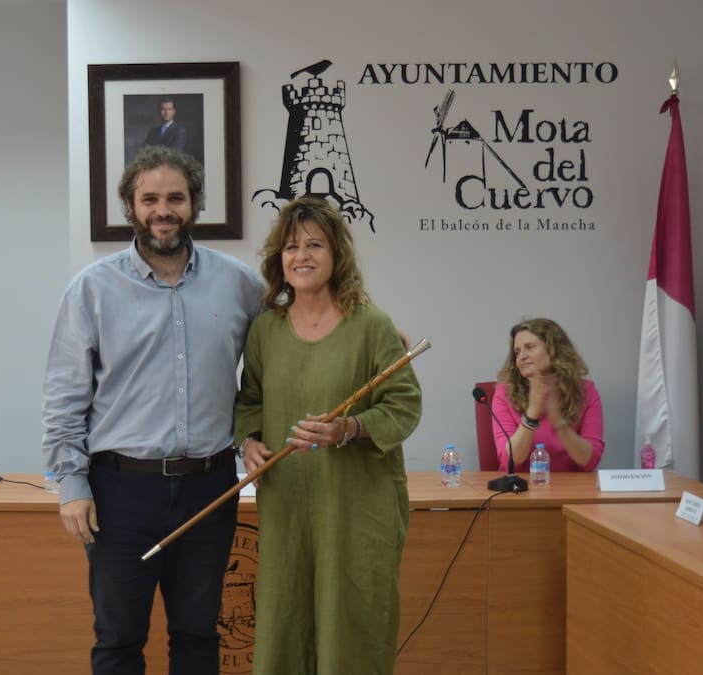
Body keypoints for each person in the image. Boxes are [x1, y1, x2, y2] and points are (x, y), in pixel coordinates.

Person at [42, 144, 264, 675]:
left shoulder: (239, 284)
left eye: (176, 198)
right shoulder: (91, 290)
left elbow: (293, 338)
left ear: (195, 204)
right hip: (119, 494)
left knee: (198, 635)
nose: (163, 211)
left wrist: (367, 323)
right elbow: (64, 399)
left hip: (209, 489)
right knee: (118, 640)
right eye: (150, 200)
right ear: (130, 206)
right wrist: (71, 484)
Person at [233, 197, 422, 674]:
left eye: (315, 245)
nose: (302, 256)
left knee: (351, 622)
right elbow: (249, 400)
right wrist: (248, 441)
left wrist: (349, 428)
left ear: (338, 254)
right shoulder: (264, 331)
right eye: (291, 247)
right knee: (286, 619)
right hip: (288, 506)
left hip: (356, 506)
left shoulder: (372, 325)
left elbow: (403, 405)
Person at [491, 317, 604, 472]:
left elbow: (590, 461)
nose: (522, 356)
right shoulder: (505, 393)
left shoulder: (586, 391)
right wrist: (532, 414)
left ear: (553, 350)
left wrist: (559, 422)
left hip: (571, 485)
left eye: (529, 347)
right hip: (521, 484)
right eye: (517, 352)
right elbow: (509, 462)